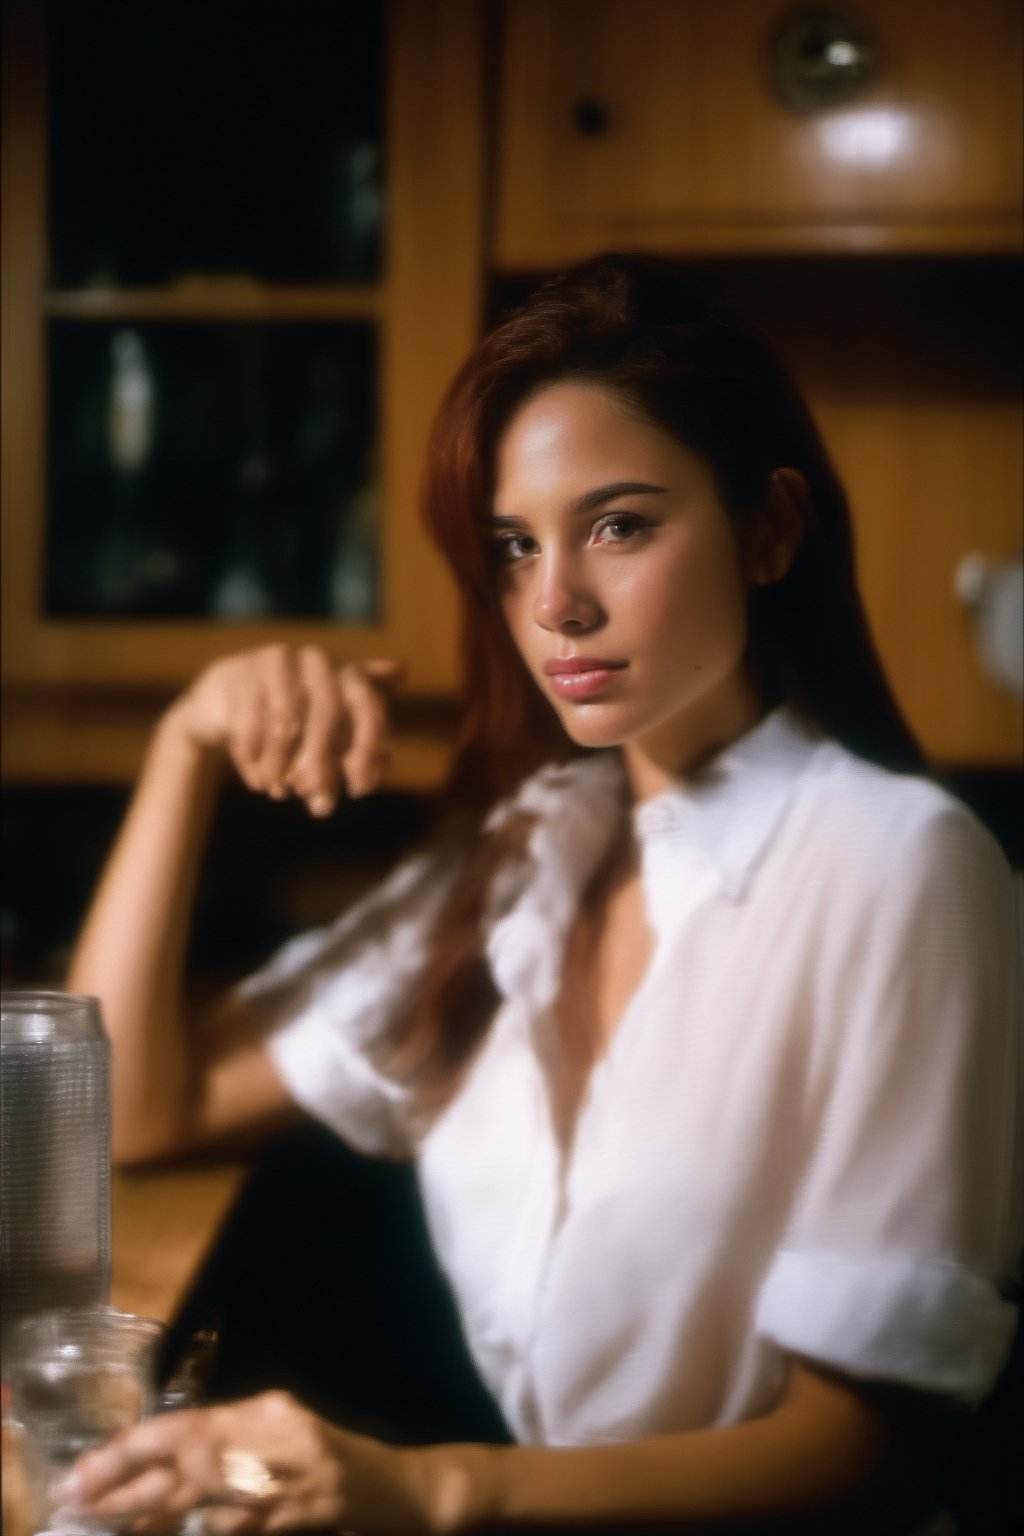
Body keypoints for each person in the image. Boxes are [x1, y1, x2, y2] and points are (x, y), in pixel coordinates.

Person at [58, 255, 1020, 1534]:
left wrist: (431, 1487)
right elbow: (122, 1116)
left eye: (619, 524)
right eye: (515, 547)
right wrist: (187, 746)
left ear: (769, 530)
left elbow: (862, 1453)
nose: (556, 602)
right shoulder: (522, 855)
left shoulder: (902, 864)